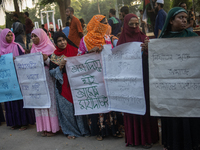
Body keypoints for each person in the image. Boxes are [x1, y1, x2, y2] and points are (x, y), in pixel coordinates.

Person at [158, 7, 200, 150]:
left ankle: (192, 143)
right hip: (170, 90)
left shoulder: (192, 37)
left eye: (185, 18)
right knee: (172, 115)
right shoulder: (161, 41)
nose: (184, 20)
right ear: (170, 20)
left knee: (189, 114)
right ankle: (172, 143)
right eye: (180, 17)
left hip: (188, 88)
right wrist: (148, 50)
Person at [117, 14, 159, 148]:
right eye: (131, 24)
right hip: (129, 81)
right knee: (132, 107)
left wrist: (147, 50)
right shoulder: (121, 40)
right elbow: (116, 60)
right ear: (126, 24)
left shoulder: (143, 37)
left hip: (144, 80)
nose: (135, 27)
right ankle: (133, 138)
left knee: (144, 107)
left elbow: (154, 59)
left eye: (137, 24)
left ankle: (147, 138)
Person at [78, 15, 121, 141]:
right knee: (97, 102)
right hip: (93, 76)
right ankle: (100, 131)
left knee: (109, 102)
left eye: (107, 23)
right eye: (103, 23)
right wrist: (90, 52)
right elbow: (79, 57)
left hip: (107, 75)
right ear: (96, 24)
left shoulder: (107, 38)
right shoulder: (85, 40)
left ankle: (113, 129)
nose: (106, 26)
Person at [49, 31, 90, 139]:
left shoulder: (75, 51)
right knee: (66, 110)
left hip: (76, 85)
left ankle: (83, 130)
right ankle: (71, 132)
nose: (62, 42)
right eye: (59, 41)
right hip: (62, 87)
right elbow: (51, 72)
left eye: (63, 40)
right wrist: (60, 67)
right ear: (55, 43)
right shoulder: (54, 56)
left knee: (79, 108)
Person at [0, 29, 35, 130]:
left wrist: (15, 60)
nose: (10, 37)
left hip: (18, 76)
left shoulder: (17, 46)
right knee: (10, 99)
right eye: (7, 35)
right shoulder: (0, 48)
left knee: (20, 98)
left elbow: (23, 60)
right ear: (3, 37)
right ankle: (14, 122)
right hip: (7, 79)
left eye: (11, 35)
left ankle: (24, 122)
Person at [30, 28, 60, 137]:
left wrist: (46, 59)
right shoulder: (33, 49)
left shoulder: (51, 48)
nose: (33, 38)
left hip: (48, 78)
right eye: (32, 36)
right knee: (40, 101)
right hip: (36, 79)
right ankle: (44, 127)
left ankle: (53, 128)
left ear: (41, 36)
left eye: (35, 36)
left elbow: (55, 65)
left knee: (50, 100)